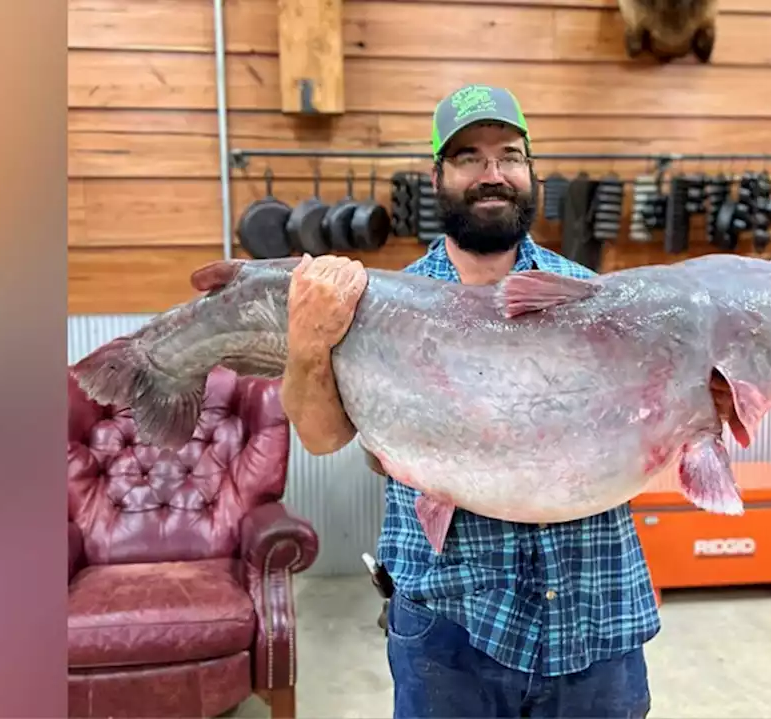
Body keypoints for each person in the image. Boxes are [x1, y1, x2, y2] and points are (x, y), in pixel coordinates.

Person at [280, 84, 658, 718]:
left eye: (508, 155)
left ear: (531, 171)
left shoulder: (593, 298)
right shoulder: (379, 305)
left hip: (595, 614)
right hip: (451, 628)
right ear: (438, 177)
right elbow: (320, 436)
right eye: (468, 159)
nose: (492, 175)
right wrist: (306, 343)